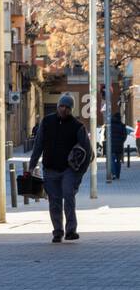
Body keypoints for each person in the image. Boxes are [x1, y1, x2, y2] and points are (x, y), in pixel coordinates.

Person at [26, 94, 91, 243]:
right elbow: (38, 145)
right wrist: (31, 165)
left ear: (71, 109)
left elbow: (88, 151)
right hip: (50, 169)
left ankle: (71, 231)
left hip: (69, 170)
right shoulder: (47, 122)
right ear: (58, 106)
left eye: (67, 107)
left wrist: (80, 173)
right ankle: (57, 231)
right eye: (62, 106)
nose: (64, 109)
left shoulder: (77, 126)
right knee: (54, 201)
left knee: (68, 196)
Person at [108, 111, 127, 180]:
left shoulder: (110, 125)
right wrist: (121, 141)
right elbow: (125, 136)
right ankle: (118, 175)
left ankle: (113, 174)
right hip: (119, 146)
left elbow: (106, 135)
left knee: (112, 160)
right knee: (118, 161)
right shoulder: (122, 125)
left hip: (111, 145)